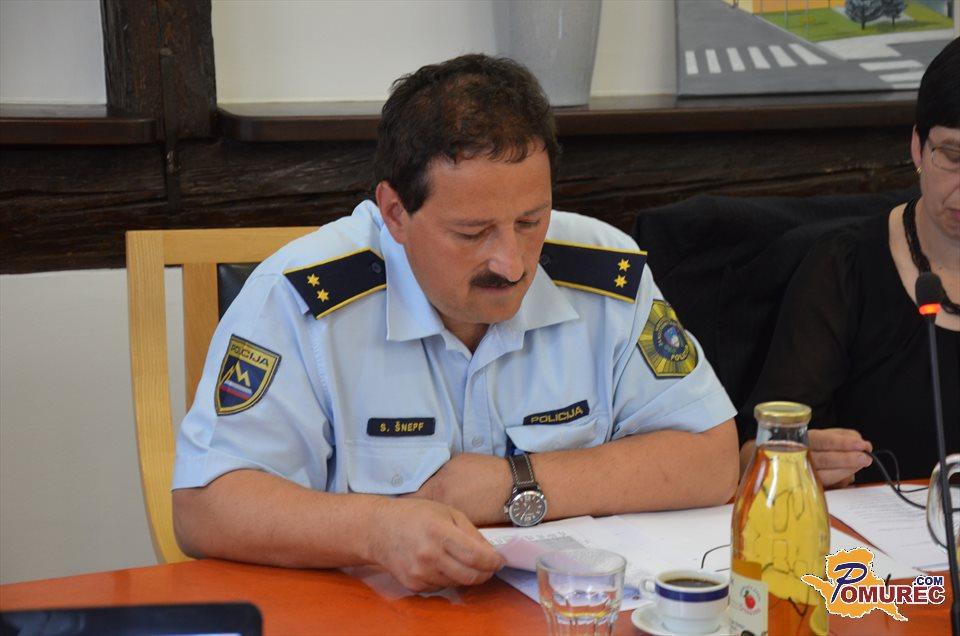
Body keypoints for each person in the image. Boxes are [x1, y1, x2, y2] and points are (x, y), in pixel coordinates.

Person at [172, 54, 739, 592]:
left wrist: (517, 483)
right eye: (472, 232)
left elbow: (712, 459)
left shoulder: (605, 274)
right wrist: (375, 529)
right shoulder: (302, 298)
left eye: (530, 222)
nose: (512, 263)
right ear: (395, 213)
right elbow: (203, 508)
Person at [739, 39, 959, 487]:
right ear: (917, 147)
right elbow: (752, 455)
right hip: (874, 531)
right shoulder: (843, 269)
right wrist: (799, 460)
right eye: (953, 158)